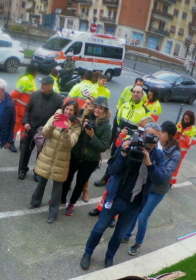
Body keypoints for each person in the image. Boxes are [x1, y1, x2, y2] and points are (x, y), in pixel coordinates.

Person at [80, 124, 166, 270]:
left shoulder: (158, 155)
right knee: (99, 228)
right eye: (149, 136)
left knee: (119, 235)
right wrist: (123, 154)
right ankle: (88, 253)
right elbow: (112, 170)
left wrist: (149, 163)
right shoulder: (130, 145)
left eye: (155, 137)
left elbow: (160, 180)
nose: (152, 140)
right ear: (143, 135)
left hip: (135, 203)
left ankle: (109, 257)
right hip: (116, 198)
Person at [124, 121, 181, 256]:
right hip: (146, 184)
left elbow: (166, 175)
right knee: (135, 210)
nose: (159, 136)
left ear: (170, 136)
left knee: (143, 216)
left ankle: (138, 242)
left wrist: (152, 162)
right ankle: (126, 234)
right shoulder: (154, 144)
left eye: (163, 133)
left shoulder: (175, 154)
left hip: (158, 189)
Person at [28, 100, 81, 224]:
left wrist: (67, 131)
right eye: (66, 109)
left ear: (75, 112)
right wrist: (53, 123)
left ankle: (53, 213)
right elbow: (45, 133)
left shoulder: (76, 126)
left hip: (62, 160)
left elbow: (70, 144)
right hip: (48, 155)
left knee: (57, 188)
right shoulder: (55, 117)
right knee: (42, 181)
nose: (68, 112)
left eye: (71, 110)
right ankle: (35, 202)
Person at [61, 97, 112, 216]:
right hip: (76, 154)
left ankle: (71, 204)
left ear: (105, 111)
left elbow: (103, 147)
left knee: (80, 183)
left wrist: (92, 135)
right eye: (96, 107)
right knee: (67, 178)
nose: (97, 110)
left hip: (90, 160)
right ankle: (62, 199)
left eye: (101, 108)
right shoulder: (85, 116)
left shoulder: (106, 126)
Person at [95, 85, 150, 187]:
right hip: (118, 137)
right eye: (134, 91)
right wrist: (114, 136)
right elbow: (117, 120)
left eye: (138, 92)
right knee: (113, 157)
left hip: (130, 141)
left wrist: (130, 134)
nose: (135, 94)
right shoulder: (125, 105)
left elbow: (144, 129)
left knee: (124, 161)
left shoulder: (145, 111)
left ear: (142, 95)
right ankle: (106, 177)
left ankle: (118, 181)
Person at [18, 76, 63, 181]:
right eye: (41, 83)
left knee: (42, 153)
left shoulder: (58, 99)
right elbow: (28, 109)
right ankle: (22, 170)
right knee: (26, 151)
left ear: (51, 86)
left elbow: (59, 117)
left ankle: (37, 172)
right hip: (31, 128)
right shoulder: (35, 95)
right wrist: (26, 122)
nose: (41, 85)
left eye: (44, 84)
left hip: (45, 131)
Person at [10, 64, 38, 153]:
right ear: (34, 71)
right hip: (19, 109)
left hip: (26, 110)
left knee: (23, 128)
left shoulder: (31, 80)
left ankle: (22, 143)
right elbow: (14, 94)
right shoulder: (24, 80)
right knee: (15, 126)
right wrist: (13, 103)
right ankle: (11, 142)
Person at [171, 110, 196, 185]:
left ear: (191, 120)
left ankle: (171, 182)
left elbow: (192, 142)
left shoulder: (193, 129)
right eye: (185, 118)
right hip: (173, 146)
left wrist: (185, 136)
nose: (186, 120)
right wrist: (177, 134)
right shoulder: (179, 124)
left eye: (188, 119)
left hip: (182, 151)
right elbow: (173, 135)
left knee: (176, 166)